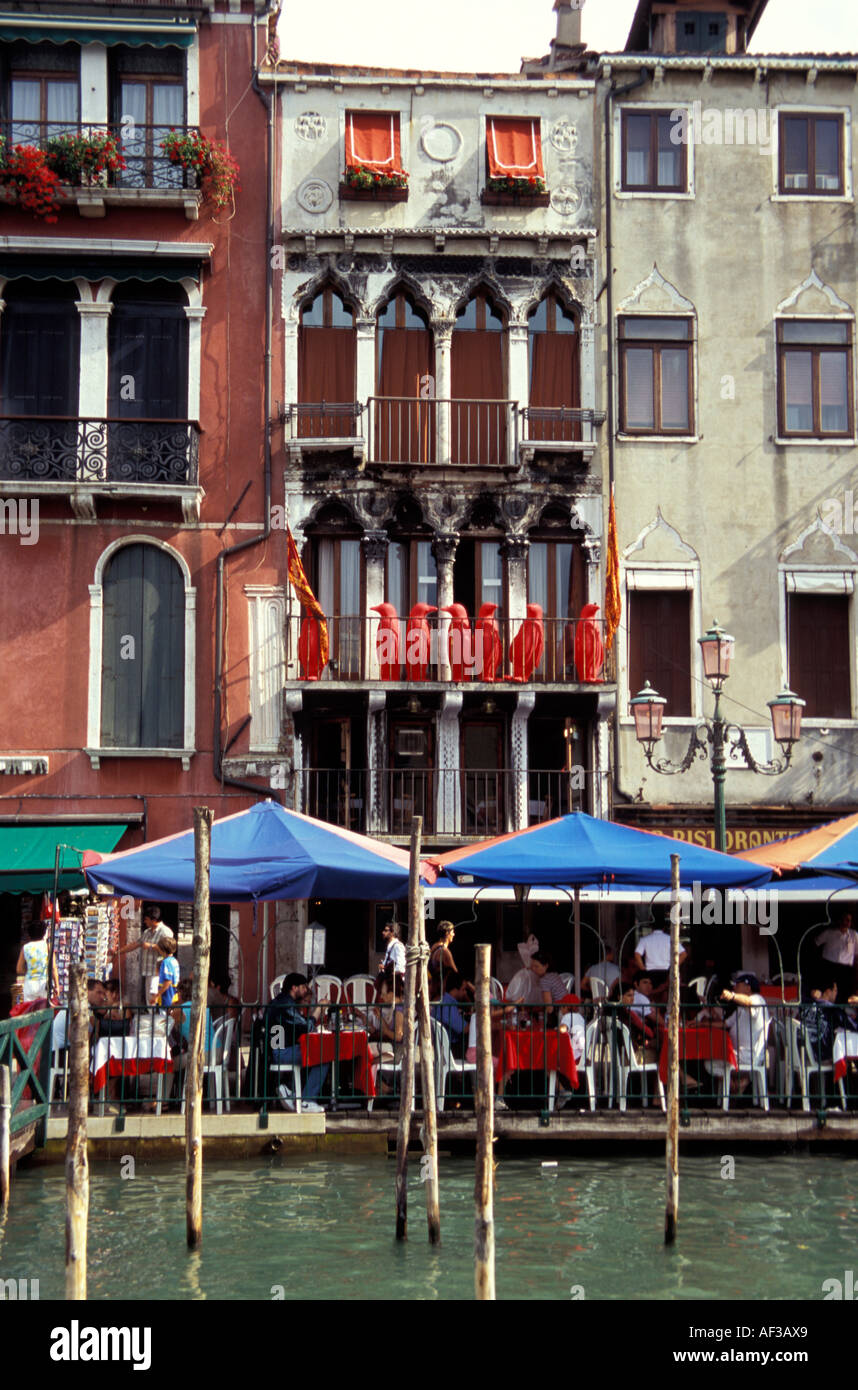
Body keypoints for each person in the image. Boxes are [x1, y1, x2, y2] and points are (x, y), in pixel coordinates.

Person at [265, 973, 329, 1112]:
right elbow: (307, 1028)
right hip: (281, 1052)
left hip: (280, 1050)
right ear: (294, 988)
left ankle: (292, 1091)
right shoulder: (286, 1005)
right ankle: (307, 1100)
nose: (306, 990)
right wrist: (319, 1009)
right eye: (303, 987)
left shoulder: (280, 1002)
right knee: (324, 1055)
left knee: (311, 1052)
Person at [719, 973, 770, 1072]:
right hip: (739, 1054)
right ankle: (737, 1084)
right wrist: (703, 1024)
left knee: (712, 1061)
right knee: (714, 1056)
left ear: (748, 988)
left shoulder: (758, 999)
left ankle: (736, 1084)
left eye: (737, 985)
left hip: (748, 1056)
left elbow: (749, 1002)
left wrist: (732, 996)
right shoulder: (741, 1008)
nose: (734, 988)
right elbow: (726, 1024)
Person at [634, 926, 687, 1000]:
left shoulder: (645, 939)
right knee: (665, 996)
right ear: (664, 928)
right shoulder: (670, 939)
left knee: (652, 997)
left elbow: (637, 954)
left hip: (650, 972)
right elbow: (683, 954)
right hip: (667, 971)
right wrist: (673, 967)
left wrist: (643, 969)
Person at [815, 912, 858, 1001]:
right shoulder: (829, 933)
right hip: (829, 965)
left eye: (849, 920)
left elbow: (856, 953)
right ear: (840, 920)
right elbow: (815, 943)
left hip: (845, 969)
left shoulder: (854, 935)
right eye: (844, 919)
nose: (846, 922)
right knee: (826, 991)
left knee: (844, 993)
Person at [16, 920, 59, 1003]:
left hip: (30, 984)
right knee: (45, 1013)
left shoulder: (25, 948)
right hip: (44, 984)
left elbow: (19, 969)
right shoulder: (47, 946)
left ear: (29, 934)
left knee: (30, 1012)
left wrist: (29, 972)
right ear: (44, 933)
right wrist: (57, 986)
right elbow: (53, 968)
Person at [430, 971, 469, 1048]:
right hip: (448, 1048)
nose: (465, 993)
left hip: (441, 1044)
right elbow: (464, 1029)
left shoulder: (443, 1000)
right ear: (455, 989)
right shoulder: (448, 1004)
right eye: (463, 989)